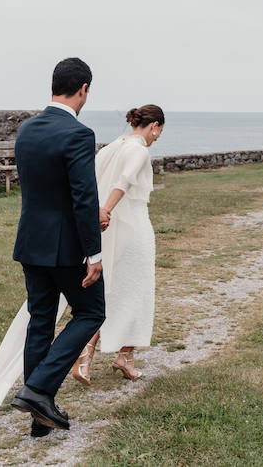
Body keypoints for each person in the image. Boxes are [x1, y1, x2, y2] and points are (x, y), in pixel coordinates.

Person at [3, 57, 106, 436]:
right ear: (83, 89)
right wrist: (93, 254)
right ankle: (38, 390)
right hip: (66, 248)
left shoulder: (27, 130)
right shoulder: (79, 134)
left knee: (41, 323)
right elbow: (84, 197)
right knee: (92, 313)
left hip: (31, 242)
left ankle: (39, 418)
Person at [71, 104, 164, 385]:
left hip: (113, 232)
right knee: (135, 293)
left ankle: (116, 356)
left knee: (115, 291)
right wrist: (105, 211)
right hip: (133, 229)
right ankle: (94, 355)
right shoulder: (138, 150)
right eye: (158, 132)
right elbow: (123, 183)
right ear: (154, 126)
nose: (156, 137)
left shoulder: (112, 147)